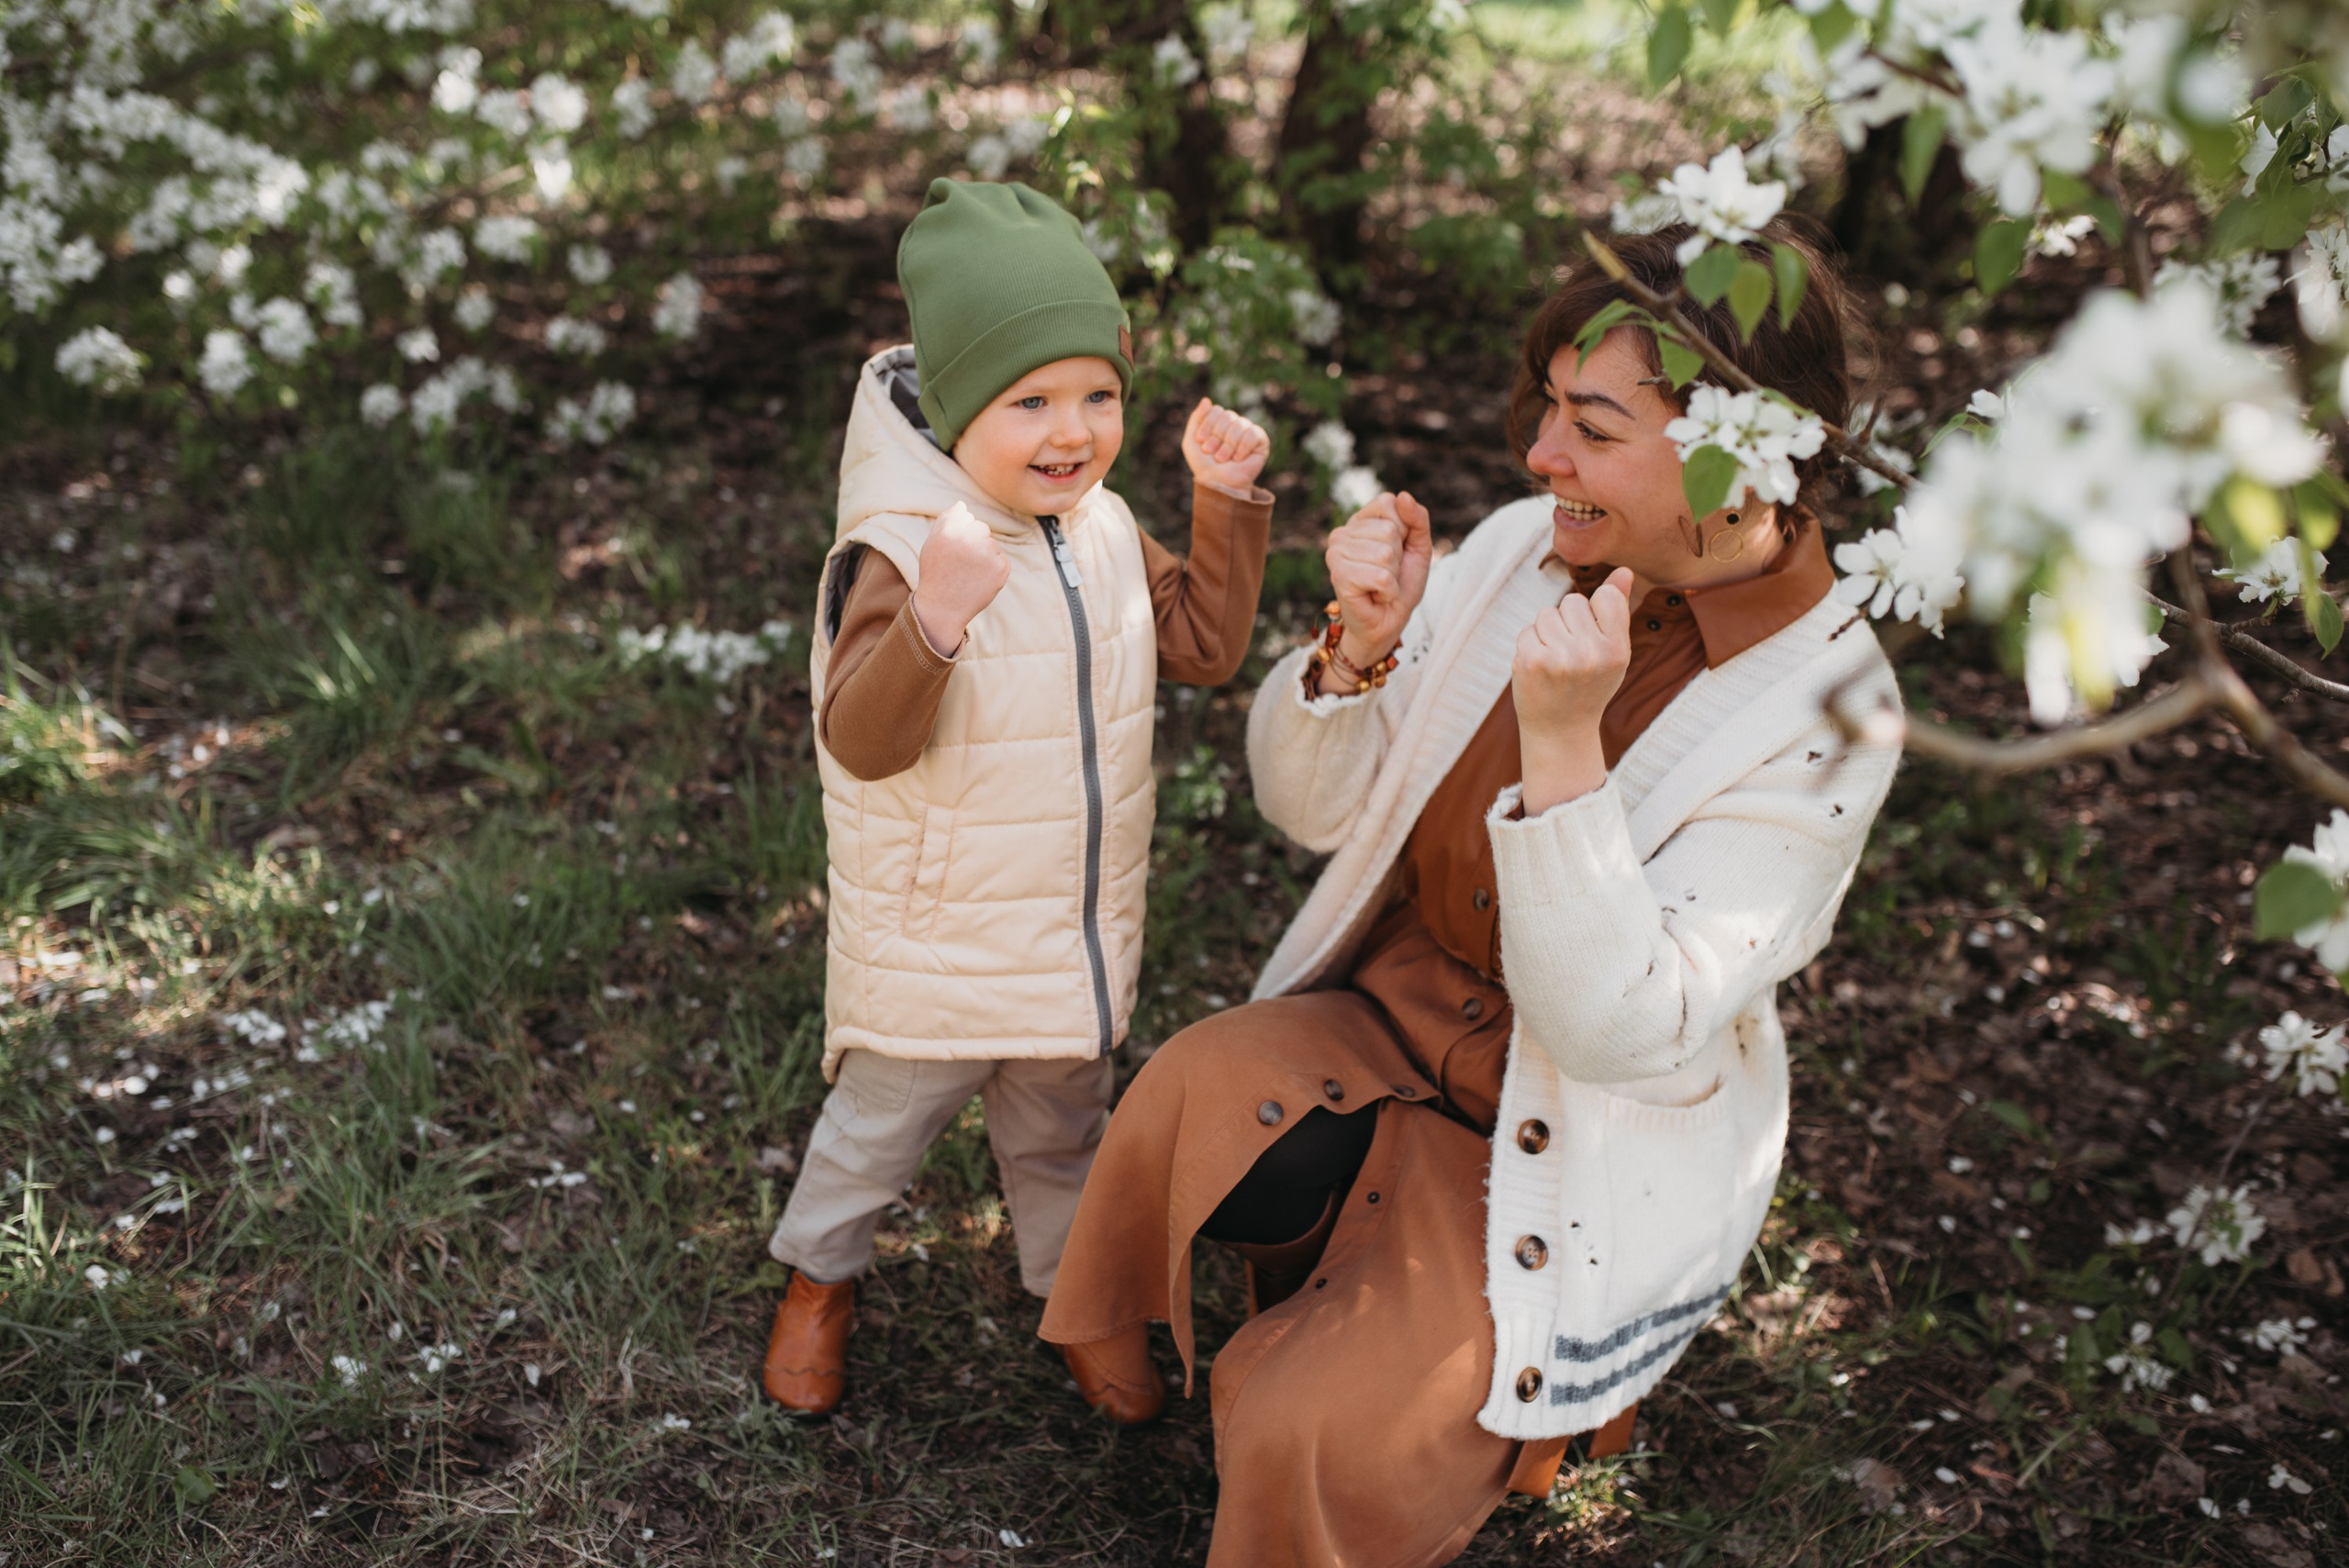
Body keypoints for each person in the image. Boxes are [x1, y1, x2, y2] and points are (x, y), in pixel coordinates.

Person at [1038, 220, 1905, 1566]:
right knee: (1187, 1096)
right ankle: (1338, 1275)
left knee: (1304, 1435)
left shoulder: (1832, 711)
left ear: (1749, 453)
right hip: (1387, 1020)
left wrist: (1565, 750)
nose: (1541, 455)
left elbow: (1624, 1025)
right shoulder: (1522, 550)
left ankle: (1518, 1391)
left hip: (1573, 1126)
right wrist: (1358, 653)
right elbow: (1306, 807)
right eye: (1548, 408)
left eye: (1593, 425)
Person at [760, 178, 1272, 1421]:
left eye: (1097, 394)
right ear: (953, 405)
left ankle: (1078, 1301)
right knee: (877, 1130)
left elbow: (1199, 643)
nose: (1072, 430)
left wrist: (1222, 507)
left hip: (1069, 930)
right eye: (1030, 400)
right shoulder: (899, 543)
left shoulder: (1098, 527)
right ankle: (816, 1283)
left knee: (1061, 1138)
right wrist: (935, 617)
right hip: (939, 936)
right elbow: (863, 741)